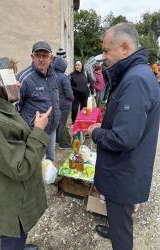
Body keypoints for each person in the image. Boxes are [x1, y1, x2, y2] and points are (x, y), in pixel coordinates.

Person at [87, 23, 160, 250]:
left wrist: (96, 132)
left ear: (125, 47)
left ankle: (118, 237)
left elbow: (124, 138)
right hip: (125, 168)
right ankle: (114, 228)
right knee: (118, 218)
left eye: (107, 50)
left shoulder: (136, 80)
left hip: (124, 172)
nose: (104, 56)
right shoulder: (136, 73)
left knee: (122, 235)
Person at [0, 57, 52, 250]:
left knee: (18, 235)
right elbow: (20, 168)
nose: (18, 83)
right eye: (11, 79)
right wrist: (39, 131)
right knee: (12, 236)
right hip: (10, 202)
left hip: (12, 194)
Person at [17, 41, 60, 162]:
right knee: (35, 162)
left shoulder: (54, 76)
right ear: (32, 57)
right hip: (34, 132)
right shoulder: (24, 78)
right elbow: (15, 109)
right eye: (38, 55)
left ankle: (50, 180)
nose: (41, 59)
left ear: (51, 58)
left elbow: (56, 98)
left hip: (51, 129)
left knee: (50, 158)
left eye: (45, 55)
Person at [53, 56, 74, 149]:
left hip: (53, 103)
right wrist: (72, 98)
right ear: (63, 66)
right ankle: (59, 142)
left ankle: (55, 141)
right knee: (61, 123)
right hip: (64, 105)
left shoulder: (51, 75)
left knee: (55, 123)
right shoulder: (64, 77)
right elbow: (69, 93)